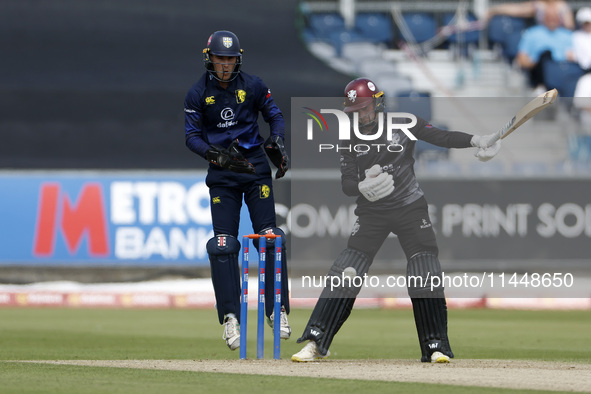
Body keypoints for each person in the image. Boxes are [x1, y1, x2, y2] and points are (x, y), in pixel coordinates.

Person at [291, 77, 501, 363]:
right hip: (372, 211)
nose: (361, 115)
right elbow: (347, 183)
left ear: (378, 102)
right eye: (355, 110)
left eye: (365, 108)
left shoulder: (405, 122)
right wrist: (361, 186)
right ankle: (315, 342)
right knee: (346, 271)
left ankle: (435, 346)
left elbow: (441, 137)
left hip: (409, 207)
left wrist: (476, 140)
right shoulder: (349, 135)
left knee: (424, 271)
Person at [184, 30, 291, 351]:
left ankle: (278, 310)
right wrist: (214, 154)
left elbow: (275, 117)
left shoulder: (254, 85)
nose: (226, 65)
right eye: (220, 58)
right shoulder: (197, 93)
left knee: (271, 237)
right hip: (222, 175)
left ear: (237, 59)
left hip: (255, 170)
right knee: (223, 245)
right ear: (210, 58)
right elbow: (191, 136)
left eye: (230, 59)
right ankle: (231, 317)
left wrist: (277, 140)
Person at [515, 6, 575, 90]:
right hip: (538, 69)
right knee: (545, 55)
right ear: (543, 18)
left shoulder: (568, 35)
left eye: (554, 17)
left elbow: (573, 55)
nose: (552, 19)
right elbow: (522, 58)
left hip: (561, 68)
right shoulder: (531, 33)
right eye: (549, 16)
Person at [486, 0, 575, 30]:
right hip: (541, 37)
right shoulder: (538, 5)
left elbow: (569, 27)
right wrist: (493, 10)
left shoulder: (563, 7)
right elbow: (517, 10)